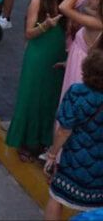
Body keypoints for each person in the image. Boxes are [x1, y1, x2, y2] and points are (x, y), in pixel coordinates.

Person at [6, 0, 71, 162]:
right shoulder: (37, 1)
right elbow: (28, 33)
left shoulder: (66, 5)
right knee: (31, 97)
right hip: (37, 56)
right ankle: (25, 143)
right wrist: (46, 25)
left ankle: (42, 141)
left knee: (49, 98)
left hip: (56, 56)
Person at [43, 48, 103, 219]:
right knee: (93, 210)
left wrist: (52, 154)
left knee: (57, 198)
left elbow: (64, 130)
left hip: (74, 161)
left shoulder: (77, 92)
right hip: (99, 170)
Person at [58, 0, 103, 101]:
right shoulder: (97, 19)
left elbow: (63, 7)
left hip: (80, 67)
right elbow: (84, 9)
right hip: (78, 63)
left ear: (99, 1)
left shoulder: (95, 22)